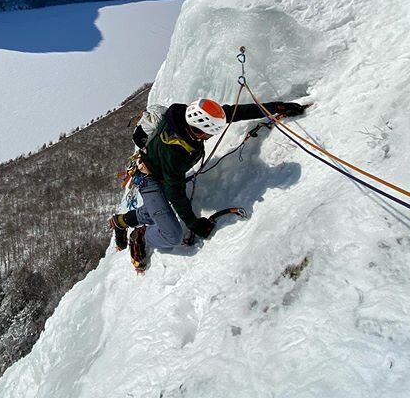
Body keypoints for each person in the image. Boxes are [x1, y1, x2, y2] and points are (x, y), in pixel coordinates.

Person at [109, 97, 306, 271]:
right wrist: (193, 224)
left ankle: (122, 221)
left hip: (160, 171)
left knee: (160, 207)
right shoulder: (174, 152)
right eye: (210, 133)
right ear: (200, 131)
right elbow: (175, 192)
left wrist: (274, 108)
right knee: (172, 235)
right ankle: (142, 235)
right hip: (148, 178)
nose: (212, 136)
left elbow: (233, 112)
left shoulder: (188, 117)